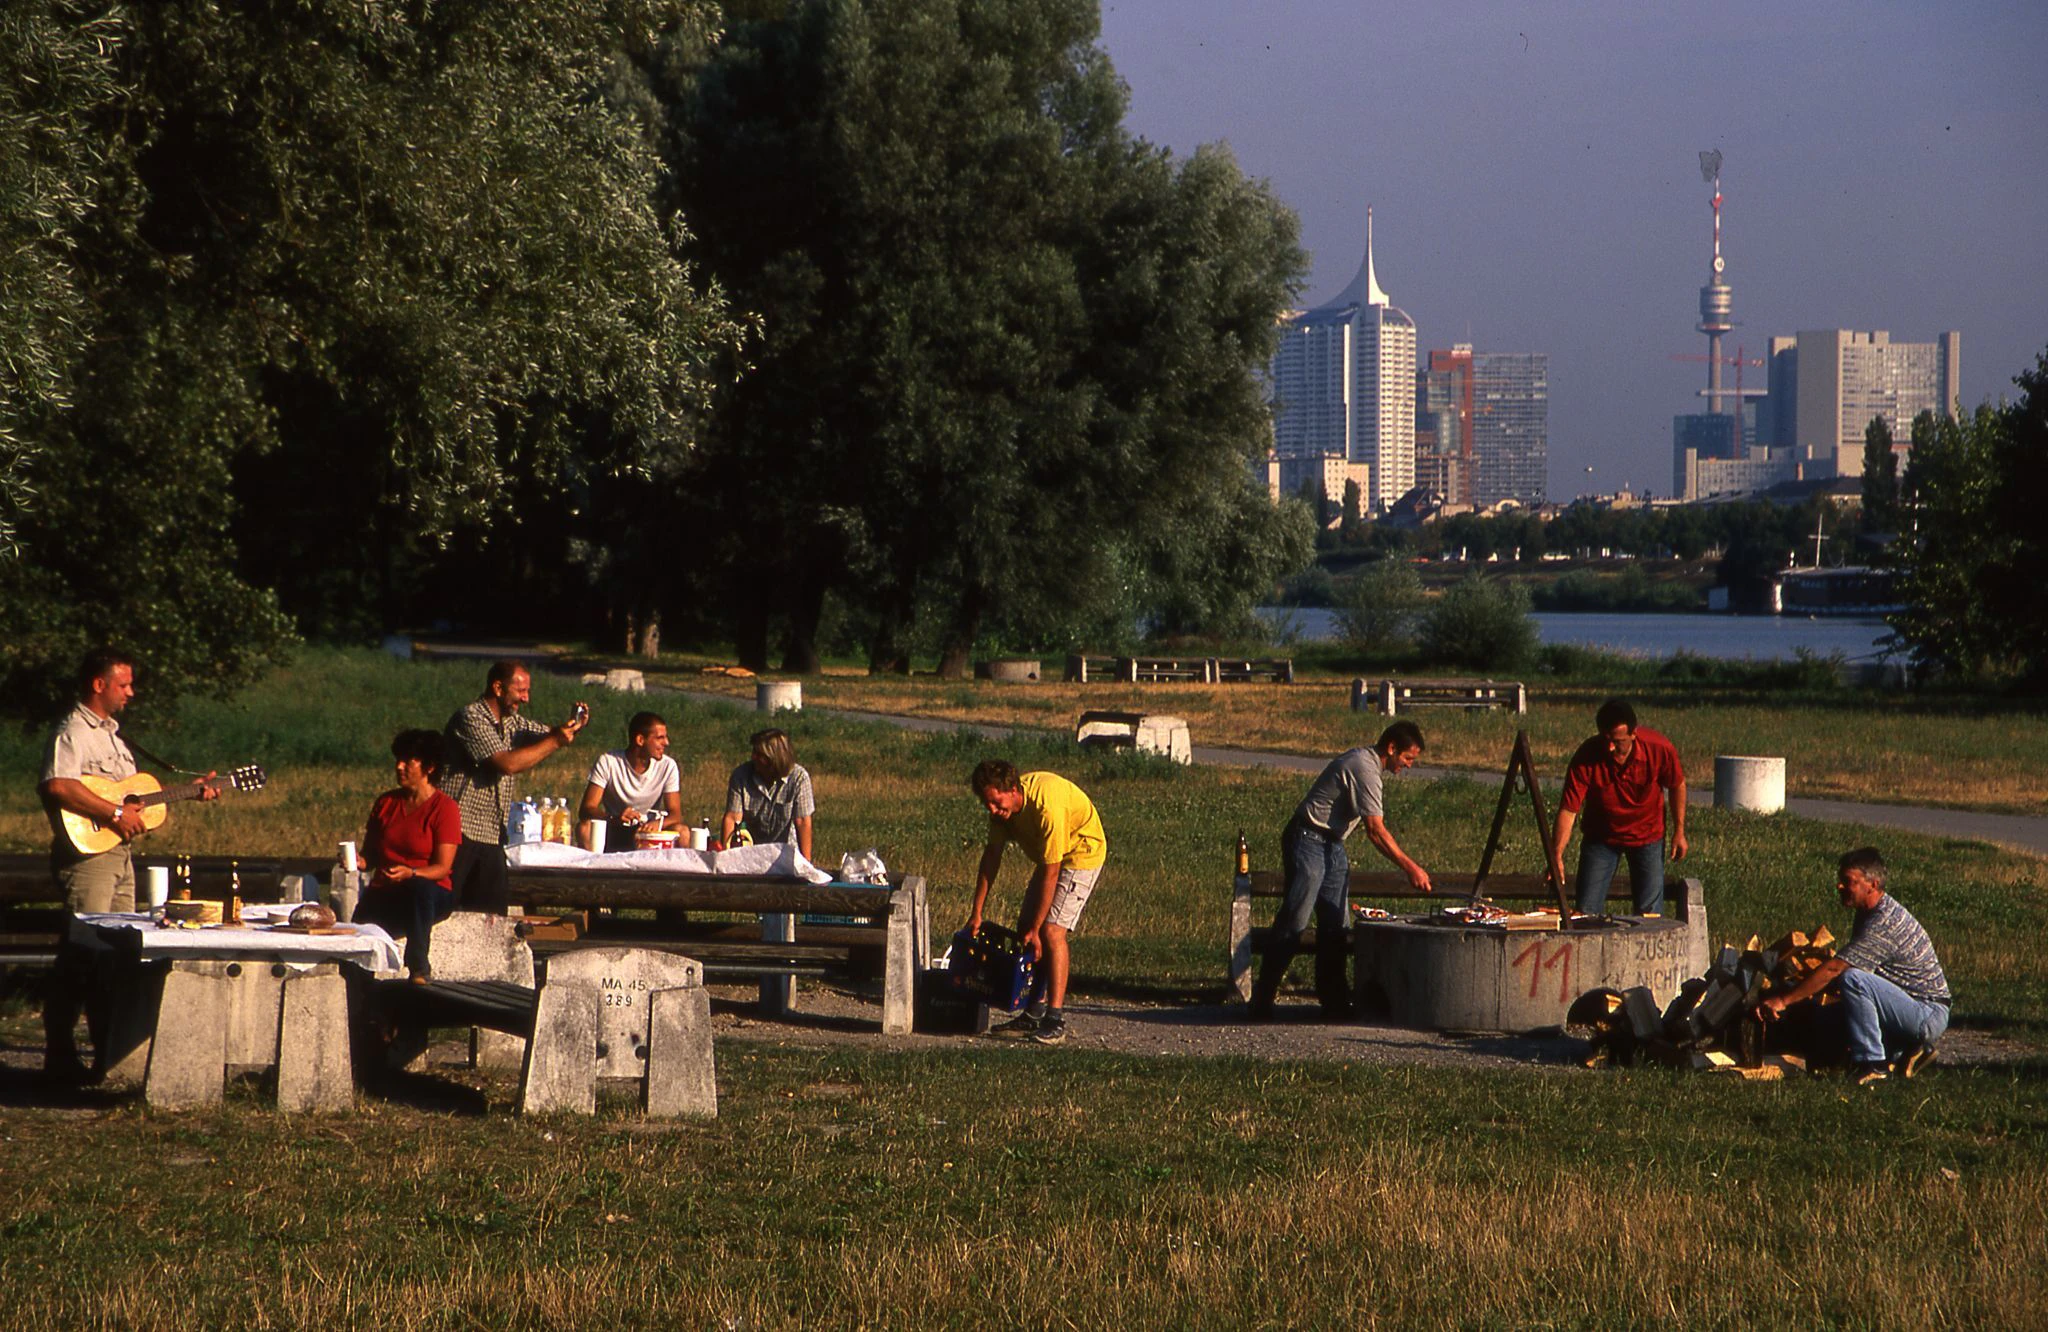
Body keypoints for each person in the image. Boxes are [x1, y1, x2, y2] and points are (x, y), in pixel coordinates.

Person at [37, 649, 218, 1079]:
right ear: (98, 685)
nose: (131, 692)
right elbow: (58, 785)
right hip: (89, 858)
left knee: (114, 956)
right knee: (82, 953)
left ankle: (109, 1055)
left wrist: (190, 791)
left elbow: (130, 796)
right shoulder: (73, 731)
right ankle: (59, 1055)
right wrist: (114, 815)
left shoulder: (114, 736)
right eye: (124, 684)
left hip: (119, 855)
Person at [1249, 722, 1432, 1023]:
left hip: (1332, 844)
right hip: (1308, 837)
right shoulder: (1365, 768)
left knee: (1336, 924)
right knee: (1296, 918)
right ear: (1391, 749)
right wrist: (1411, 867)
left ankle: (1334, 1003)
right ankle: (1263, 998)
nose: (1408, 766)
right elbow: (1375, 830)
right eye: (1408, 759)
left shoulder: (1370, 767)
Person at [1758, 847, 1949, 1085]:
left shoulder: (1883, 922)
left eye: (1848, 881)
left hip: (1925, 1013)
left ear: (1872, 884)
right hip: (1905, 1007)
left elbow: (1835, 969)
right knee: (1827, 1018)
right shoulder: (1867, 913)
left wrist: (1784, 1000)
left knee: (1853, 979)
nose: (1839, 886)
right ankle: (1907, 1052)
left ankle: (1874, 1065)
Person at [966, 760, 1106, 1046]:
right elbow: (991, 858)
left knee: (1051, 931)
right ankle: (1033, 1012)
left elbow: (1053, 872)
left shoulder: (1047, 808)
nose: (992, 810)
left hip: (1081, 851)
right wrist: (976, 913)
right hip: (1052, 859)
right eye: (986, 804)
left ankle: (1055, 1020)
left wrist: (1037, 927)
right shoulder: (1001, 814)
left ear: (1014, 790)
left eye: (995, 802)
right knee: (1025, 928)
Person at [438, 660, 585, 911]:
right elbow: (507, 764)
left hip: (492, 834)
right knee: (445, 909)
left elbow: (549, 734)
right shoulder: (471, 718)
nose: (526, 699)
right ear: (497, 688)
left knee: (492, 916)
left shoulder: (511, 723)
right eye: (521, 691)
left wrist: (573, 726)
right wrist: (557, 741)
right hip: (459, 830)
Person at [1548, 698, 1688, 916]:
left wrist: (1679, 831)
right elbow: (1569, 809)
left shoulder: (1658, 748)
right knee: (1586, 911)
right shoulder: (1587, 755)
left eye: (1618, 741)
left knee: (1649, 915)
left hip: (1647, 835)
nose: (1611, 747)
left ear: (1633, 734)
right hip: (1601, 837)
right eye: (1606, 739)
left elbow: (1677, 785)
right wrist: (1556, 854)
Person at [354, 729, 463, 983]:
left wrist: (411, 872)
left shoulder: (444, 808)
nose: (399, 767)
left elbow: (442, 867)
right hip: (388, 888)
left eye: (407, 761)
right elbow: (370, 854)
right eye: (398, 760)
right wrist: (360, 862)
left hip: (429, 891)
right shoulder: (386, 803)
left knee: (419, 890)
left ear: (429, 767)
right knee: (358, 930)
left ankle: (418, 967)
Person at [578, 711, 684, 847]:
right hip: (614, 827)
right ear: (640, 740)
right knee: (584, 828)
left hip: (648, 831)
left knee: (683, 832)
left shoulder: (668, 766)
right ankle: (590, 867)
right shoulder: (608, 762)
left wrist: (657, 824)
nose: (666, 743)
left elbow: (676, 814)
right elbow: (587, 809)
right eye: (660, 738)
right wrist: (613, 819)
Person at [721, 728, 814, 861]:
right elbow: (732, 817)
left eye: (759, 754)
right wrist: (726, 858)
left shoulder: (799, 778)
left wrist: (807, 863)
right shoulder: (740, 776)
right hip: (750, 851)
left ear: (773, 758)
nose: (753, 757)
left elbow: (803, 821)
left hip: (786, 853)